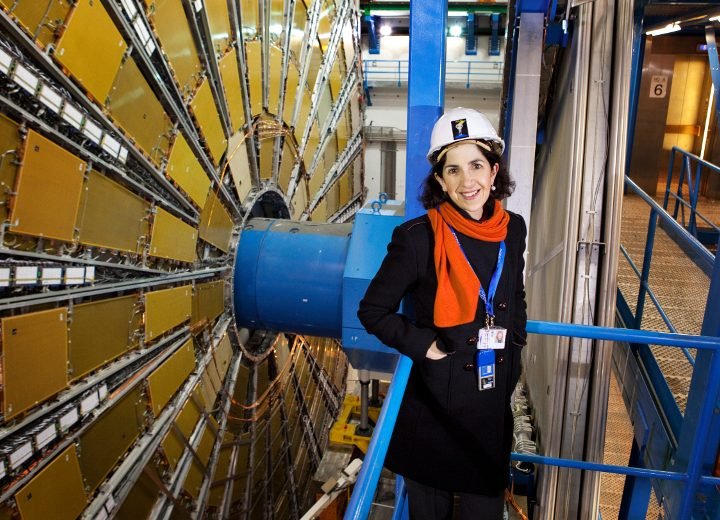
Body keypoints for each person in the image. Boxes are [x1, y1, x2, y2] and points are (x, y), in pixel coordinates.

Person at [357, 107, 527, 520]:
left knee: (484, 509)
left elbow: (514, 291)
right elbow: (373, 310)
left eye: (476, 165)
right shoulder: (417, 239)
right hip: (433, 410)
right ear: (440, 180)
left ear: (493, 171)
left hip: (489, 408)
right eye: (453, 170)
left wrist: (515, 341)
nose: (467, 181)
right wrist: (423, 345)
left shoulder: (513, 228)